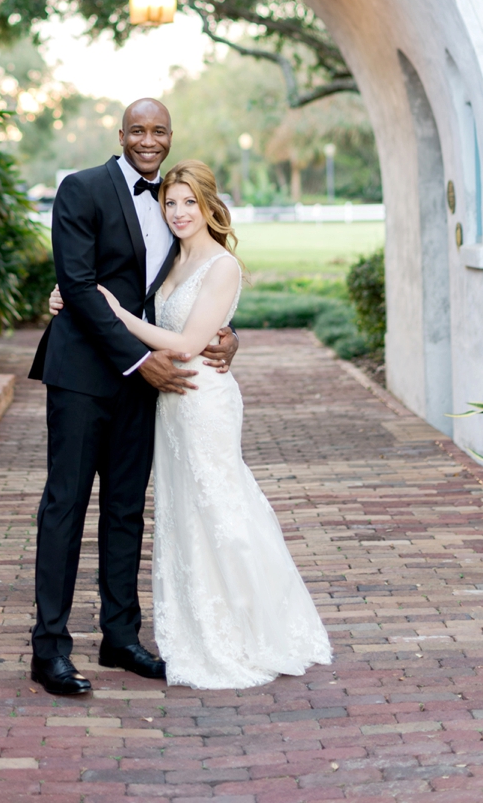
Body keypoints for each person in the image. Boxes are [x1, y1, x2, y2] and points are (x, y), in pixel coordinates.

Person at [28, 98, 239, 697]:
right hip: (84, 376)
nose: (149, 139)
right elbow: (77, 282)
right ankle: (50, 651)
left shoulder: (174, 207)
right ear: (120, 134)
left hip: (147, 386)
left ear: (171, 136)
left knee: (125, 511)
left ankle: (120, 639)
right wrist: (139, 360)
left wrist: (227, 336)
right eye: (138, 130)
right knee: (64, 507)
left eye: (159, 130)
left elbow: (199, 286)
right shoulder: (81, 188)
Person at [96, 158, 332, 689]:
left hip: (204, 400)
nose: (178, 212)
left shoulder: (221, 266)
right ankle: (202, 622)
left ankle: (255, 630)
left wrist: (115, 313)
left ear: (209, 207)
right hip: (171, 404)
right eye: (170, 203)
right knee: (185, 511)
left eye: (189, 203)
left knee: (222, 505)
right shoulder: (170, 260)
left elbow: (184, 342)